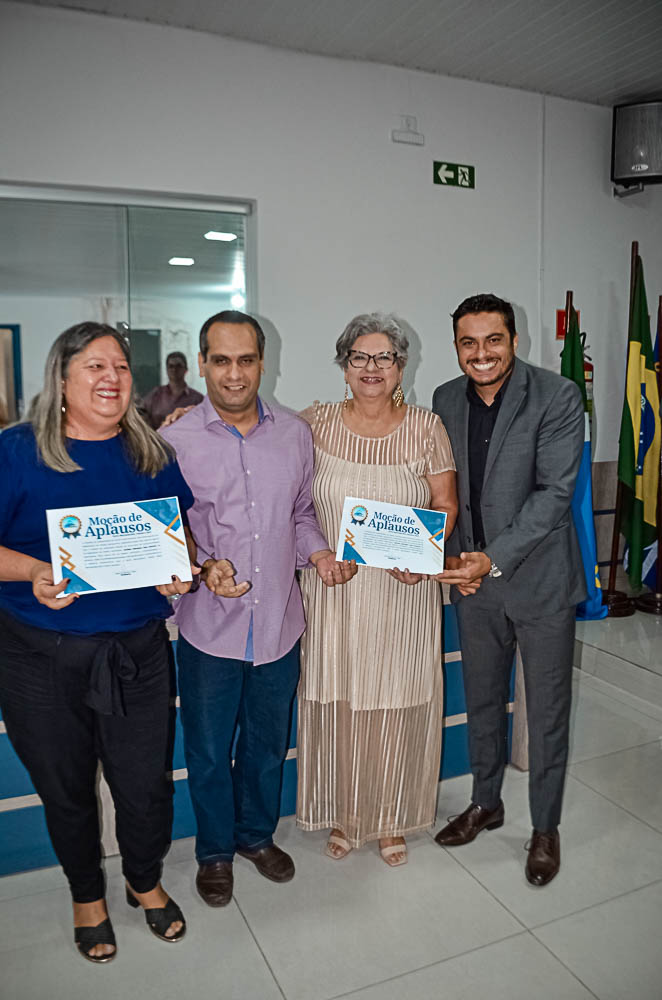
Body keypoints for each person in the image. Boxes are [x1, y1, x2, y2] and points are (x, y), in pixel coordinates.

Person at [0, 322, 215, 963]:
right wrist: (36, 570)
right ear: (62, 379)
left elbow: (177, 541)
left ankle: (142, 880)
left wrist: (185, 571)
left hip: (137, 653)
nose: (111, 378)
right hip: (38, 655)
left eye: (120, 366)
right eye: (94, 366)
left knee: (145, 786)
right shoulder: (15, 453)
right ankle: (86, 896)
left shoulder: (150, 453)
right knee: (65, 787)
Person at [160, 309, 356, 908]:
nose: (235, 373)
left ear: (262, 363)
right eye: (221, 360)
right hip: (207, 629)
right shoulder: (174, 439)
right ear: (202, 364)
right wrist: (201, 564)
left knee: (268, 745)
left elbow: (300, 515)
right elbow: (169, 532)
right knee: (209, 750)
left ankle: (254, 837)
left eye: (246, 360)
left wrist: (320, 555)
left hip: (278, 624)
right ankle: (215, 851)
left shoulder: (295, 434)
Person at [432, 293, 585, 886]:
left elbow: (552, 495)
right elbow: (441, 487)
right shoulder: (445, 399)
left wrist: (488, 560)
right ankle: (486, 802)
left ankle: (544, 828)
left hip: (539, 583)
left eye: (492, 340)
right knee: (483, 702)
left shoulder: (557, 395)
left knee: (546, 714)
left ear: (513, 341)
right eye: (468, 342)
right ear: (457, 348)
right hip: (474, 587)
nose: (481, 354)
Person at [296, 313, 458, 866]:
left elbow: (445, 504)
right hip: (333, 592)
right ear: (344, 366)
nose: (372, 368)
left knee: (397, 701)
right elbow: (289, 498)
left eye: (383, 357)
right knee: (340, 701)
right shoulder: (313, 423)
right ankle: (344, 814)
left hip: (401, 594)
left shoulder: (425, 426)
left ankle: (391, 817)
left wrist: (425, 558)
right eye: (359, 357)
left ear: (401, 367)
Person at [142, 351, 203, 428]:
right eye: (171, 366)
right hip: (157, 439)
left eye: (178, 366)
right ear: (166, 370)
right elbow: (141, 414)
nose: (174, 369)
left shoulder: (197, 399)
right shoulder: (155, 395)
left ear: (186, 369)